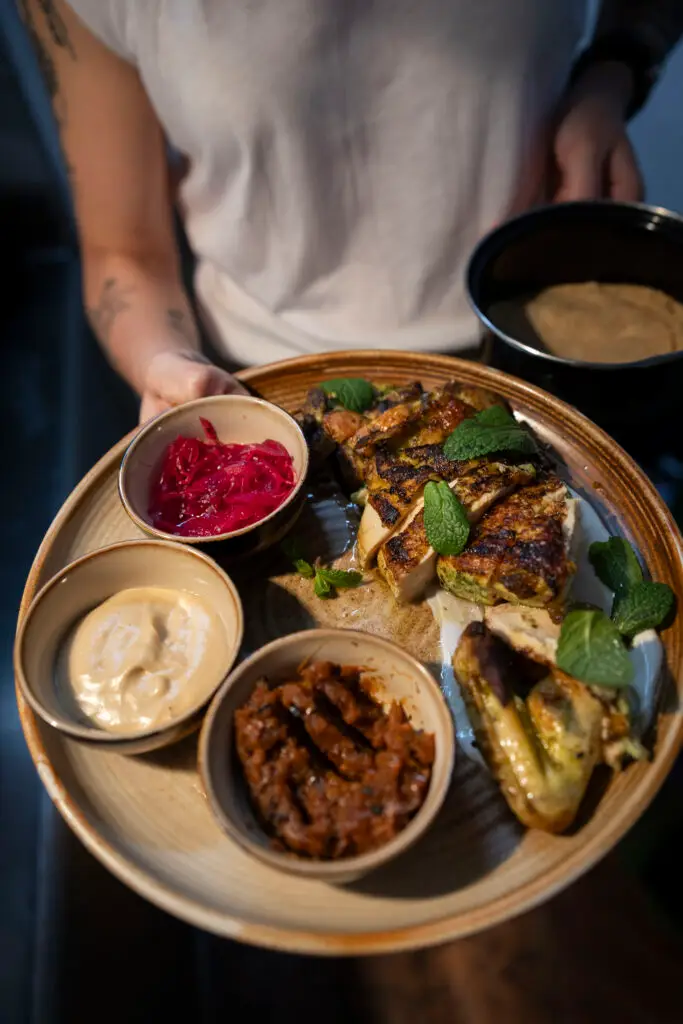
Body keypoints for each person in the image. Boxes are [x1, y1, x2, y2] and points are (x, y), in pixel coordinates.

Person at [22, 1, 683, 421]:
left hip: (537, 351)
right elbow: (125, 251)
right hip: (264, 385)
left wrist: (614, 70)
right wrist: (166, 364)